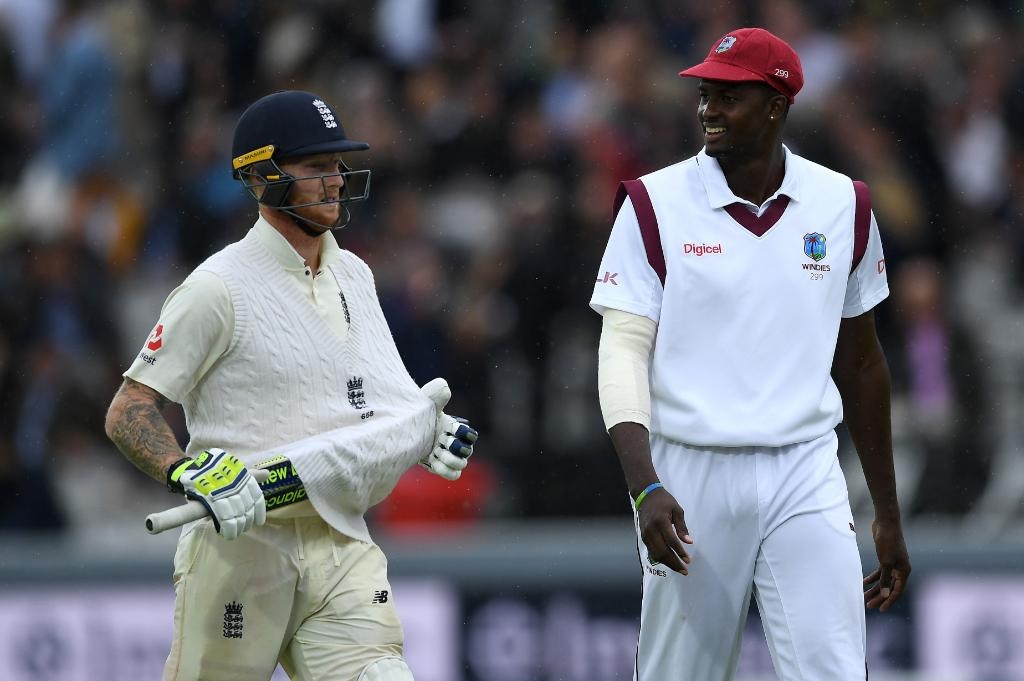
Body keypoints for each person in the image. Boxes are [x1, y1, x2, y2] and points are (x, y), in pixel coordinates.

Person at [105, 90, 478, 681]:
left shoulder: (355, 274)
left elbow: (377, 394)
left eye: (337, 166)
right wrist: (186, 470)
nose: (335, 181)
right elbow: (129, 408)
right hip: (242, 542)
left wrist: (421, 428)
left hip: (341, 537)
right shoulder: (217, 287)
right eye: (315, 168)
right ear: (260, 176)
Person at [591, 28, 911, 680]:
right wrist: (643, 482)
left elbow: (862, 363)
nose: (708, 108)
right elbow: (622, 349)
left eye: (728, 96)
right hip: (689, 472)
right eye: (705, 94)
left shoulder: (843, 203)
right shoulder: (654, 204)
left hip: (806, 469)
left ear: (777, 104)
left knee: (836, 670)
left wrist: (888, 511)